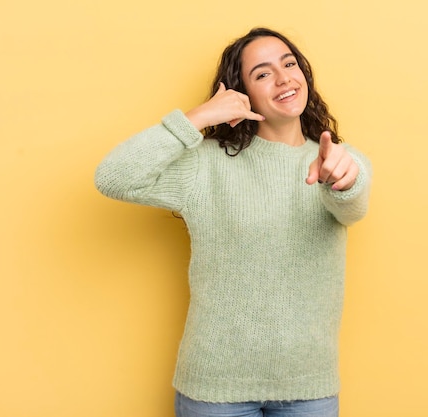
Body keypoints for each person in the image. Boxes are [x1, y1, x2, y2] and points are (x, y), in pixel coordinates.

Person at [95, 27, 372, 417]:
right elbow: (113, 177)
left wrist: (344, 180)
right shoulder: (206, 165)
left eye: (289, 64)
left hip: (308, 387)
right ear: (241, 93)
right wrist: (197, 117)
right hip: (214, 388)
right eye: (262, 73)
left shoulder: (339, 160)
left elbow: (352, 206)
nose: (283, 78)